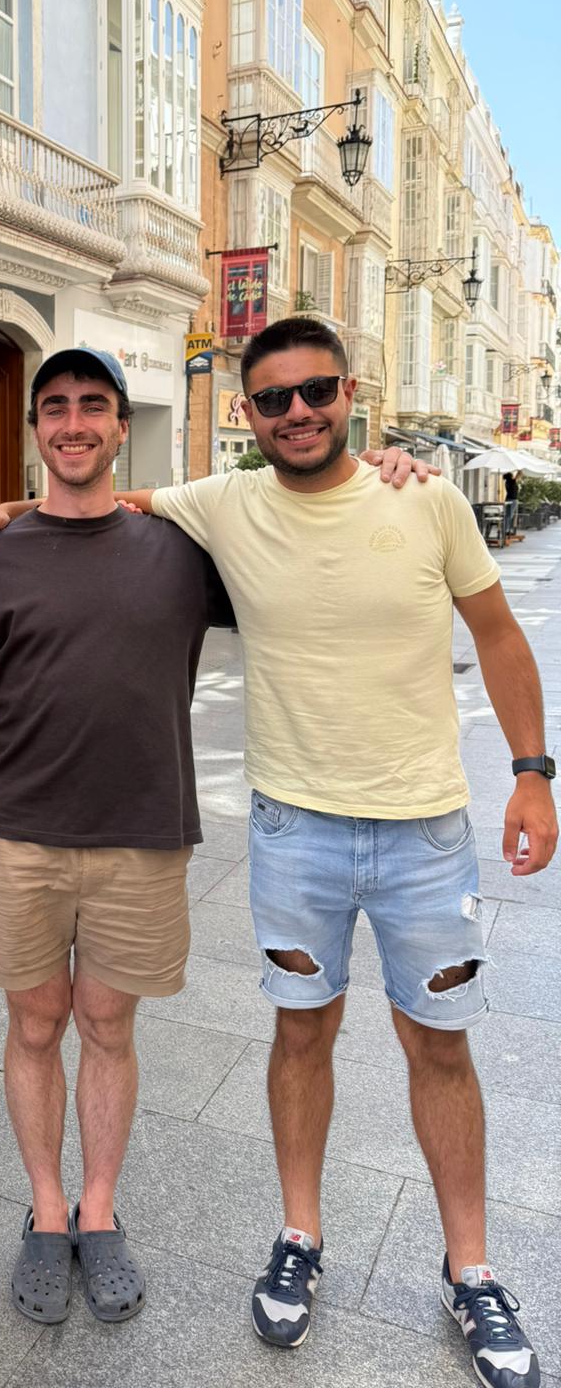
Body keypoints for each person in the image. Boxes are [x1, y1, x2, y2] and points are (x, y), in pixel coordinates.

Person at [112, 320, 553, 1387]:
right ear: (246, 415)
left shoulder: (425, 498)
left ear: (348, 391)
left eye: (315, 391)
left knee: (439, 1047)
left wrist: (536, 770)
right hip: (292, 830)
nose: (297, 412)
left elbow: (497, 631)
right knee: (299, 1036)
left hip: (425, 833)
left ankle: (472, 1265)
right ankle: (300, 1236)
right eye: (273, 400)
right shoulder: (224, 502)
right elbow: (102, 503)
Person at [0, 347, 235, 1327]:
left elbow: (289, 504)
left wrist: (386, 471)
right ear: (34, 430)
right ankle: (45, 1206)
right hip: (18, 837)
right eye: (54, 407)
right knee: (33, 1025)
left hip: (143, 839)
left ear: (119, 427)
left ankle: (98, 1211)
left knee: (109, 1024)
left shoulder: (182, 553)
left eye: (93, 406)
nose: (73, 422)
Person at [504, 469, 520, 539]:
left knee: (508, 515)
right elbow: (518, 475)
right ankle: (507, 530)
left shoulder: (507, 482)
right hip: (513, 500)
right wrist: (520, 470)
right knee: (510, 515)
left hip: (508, 499)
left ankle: (506, 529)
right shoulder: (511, 481)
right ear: (511, 476)